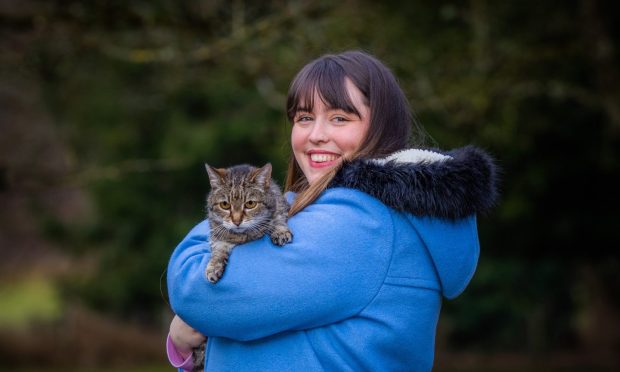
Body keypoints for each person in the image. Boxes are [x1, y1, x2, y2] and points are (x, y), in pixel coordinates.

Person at [166, 50, 498, 371]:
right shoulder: (331, 214)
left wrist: (236, 201)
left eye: (339, 118)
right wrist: (186, 348)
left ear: (382, 126)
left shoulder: (362, 223)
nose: (316, 135)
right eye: (304, 118)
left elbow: (197, 292)